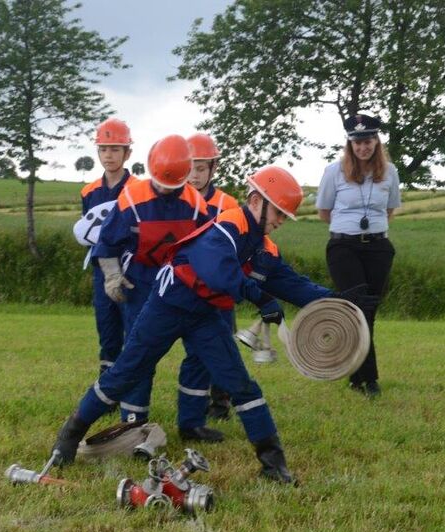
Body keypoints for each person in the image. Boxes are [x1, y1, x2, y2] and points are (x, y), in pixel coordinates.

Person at [51, 166, 376, 483]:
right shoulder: (227, 225)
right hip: (168, 304)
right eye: (277, 213)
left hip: (205, 315)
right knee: (126, 372)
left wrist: (337, 300)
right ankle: (69, 436)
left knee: (241, 385)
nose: (279, 222)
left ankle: (274, 466)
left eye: (283, 216)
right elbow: (219, 272)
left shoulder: (262, 244)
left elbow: (290, 282)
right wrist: (261, 298)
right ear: (255, 201)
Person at [92, 134, 210, 424]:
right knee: (140, 353)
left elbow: (209, 248)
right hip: (141, 286)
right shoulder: (131, 198)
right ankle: (133, 420)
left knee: (199, 351)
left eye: (171, 187)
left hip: (184, 287)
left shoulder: (196, 204)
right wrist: (112, 276)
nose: (163, 191)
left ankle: (192, 424)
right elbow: (107, 243)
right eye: (159, 184)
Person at [316, 114, 401, 396]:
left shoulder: (390, 172)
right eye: (357, 142)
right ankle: (370, 380)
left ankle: (356, 377)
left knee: (369, 310)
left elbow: (389, 210)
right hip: (344, 247)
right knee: (358, 308)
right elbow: (324, 211)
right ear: (349, 144)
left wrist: (370, 233)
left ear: (376, 142)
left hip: (378, 247)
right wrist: (349, 231)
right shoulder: (334, 171)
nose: (363, 147)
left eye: (368, 141)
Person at [74, 118, 137, 375]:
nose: (108, 155)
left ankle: (131, 389)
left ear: (127, 152)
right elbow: (90, 235)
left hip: (132, 271)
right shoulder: (88, 192)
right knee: (107, 331)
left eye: (115, 149)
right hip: (101, 272)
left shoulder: (138, 189)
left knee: (133, 330)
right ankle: (107, 389)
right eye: (103, 149)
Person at [187, 133, 240, 422]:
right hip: (185, 287)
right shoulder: (176, 200)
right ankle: (193, 402)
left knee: (222, 344)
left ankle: (220, 403)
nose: (194, 175)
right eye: (190, 167)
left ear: (212, 169)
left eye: (201, 168)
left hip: (219, 289)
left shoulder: (227, 204)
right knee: (193, 348)